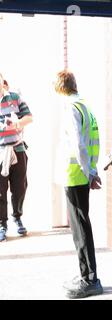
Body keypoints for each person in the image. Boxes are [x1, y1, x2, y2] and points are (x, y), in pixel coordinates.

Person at [53, 70, 103, 299]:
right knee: (83, 226)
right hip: (82, 175)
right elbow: (91, 141)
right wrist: (91, 171)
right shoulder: (85, 106)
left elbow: (78, 144)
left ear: (60, 88)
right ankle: (87, 275)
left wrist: (89, 172)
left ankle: (89, 279)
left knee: (80, 230)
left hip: (74, 175)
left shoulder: (70, 108)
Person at [0, 73, 32, 242]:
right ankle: (1, 224)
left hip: (17, 149)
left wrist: (18, 123)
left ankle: (17, 216)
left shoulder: (14, 97)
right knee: (0, 191)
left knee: (20, 187)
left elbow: (29, 117)